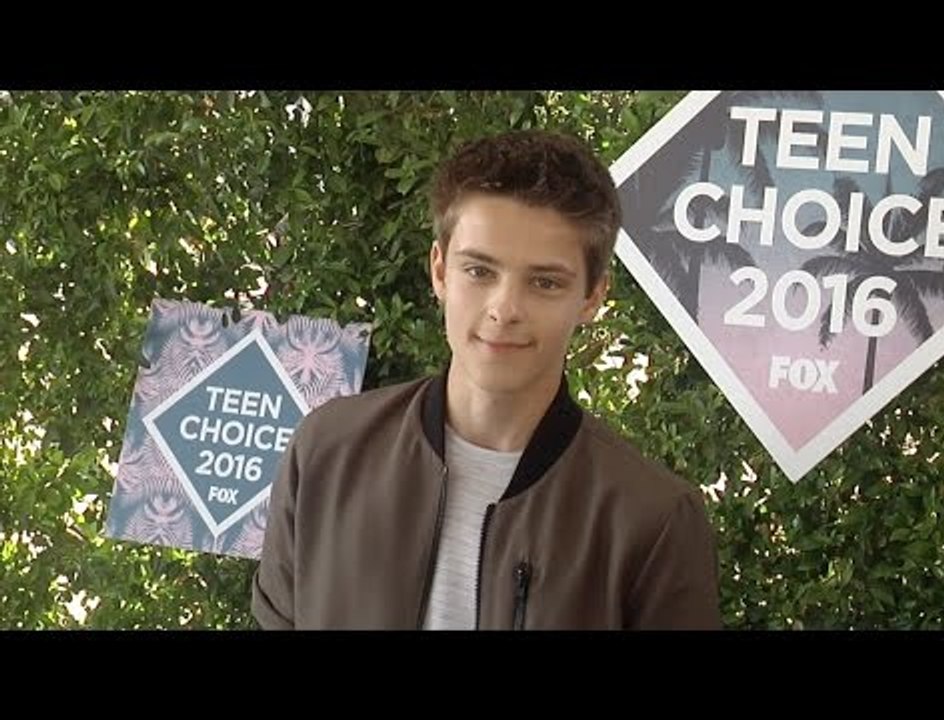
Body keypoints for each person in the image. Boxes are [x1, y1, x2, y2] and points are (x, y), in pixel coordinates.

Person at [251, 128, 722, 630]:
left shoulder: (652, 520)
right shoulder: (327, 452)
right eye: (479, 271)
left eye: (544, 282)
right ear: (439, 271)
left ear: (591, 297)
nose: (504, 309)